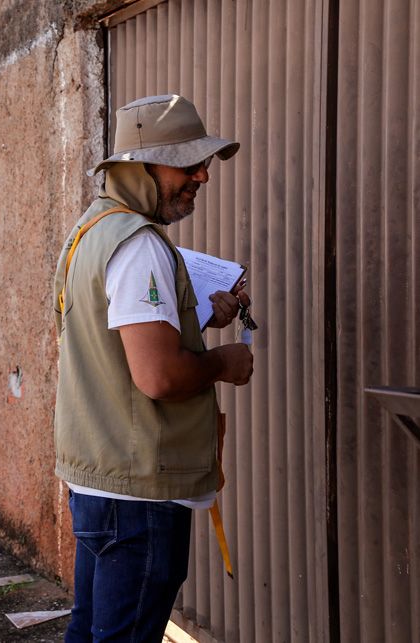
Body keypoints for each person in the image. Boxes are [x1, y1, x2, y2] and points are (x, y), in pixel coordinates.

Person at [53, 94, 255, 643]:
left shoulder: (90, 230)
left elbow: (118, 342)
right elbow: (159, 378)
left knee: (90, 631)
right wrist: (225, 363)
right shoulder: (138, 247)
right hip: (139, 491)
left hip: (100, 476)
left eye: (203, 161)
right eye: (188, 163)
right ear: (140, 166)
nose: (203, 176)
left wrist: (200, 315)